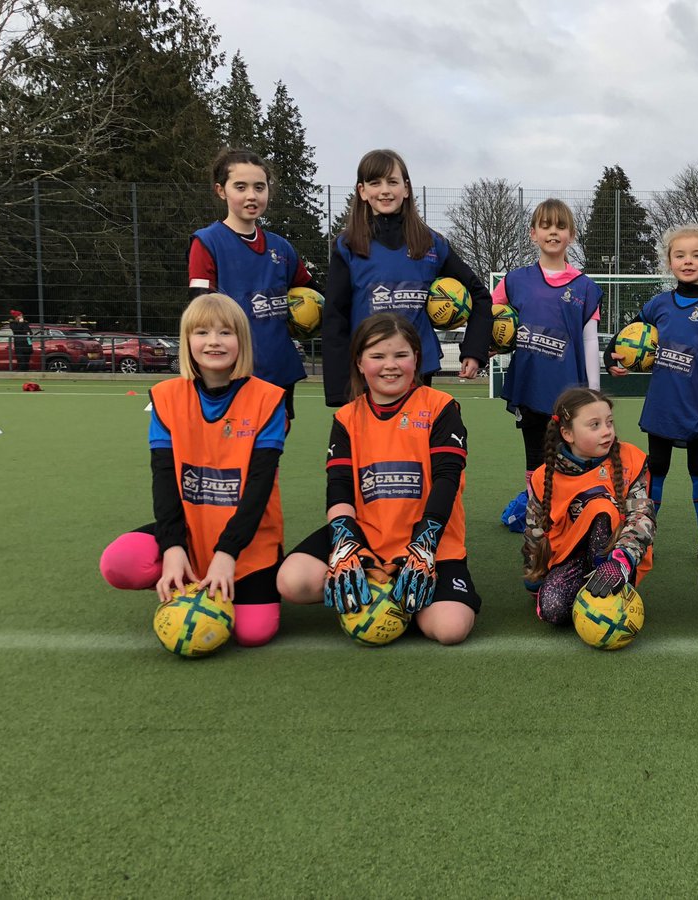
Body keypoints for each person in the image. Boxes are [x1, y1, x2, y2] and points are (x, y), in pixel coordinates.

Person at [277, 313, 479, 645]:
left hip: (430, 540)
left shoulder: (441, 407)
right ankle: (373, 584)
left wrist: (424, 546)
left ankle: (395, 593)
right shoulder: (346, 417)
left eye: (401, 355)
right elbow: (339, 484)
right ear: (359, 362)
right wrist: (343, 543)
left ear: (416, 358)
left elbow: (447, 479)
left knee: (450, 628)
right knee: (292, 581)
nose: (390, 365)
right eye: (377, 356)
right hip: (365, 534)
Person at [99, 293, 288, 647]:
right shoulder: (167, 397)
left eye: (225, 332)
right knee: (119, 563)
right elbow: (164, 479)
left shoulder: (268, 399)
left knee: (253, 632)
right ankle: (185, 573)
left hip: (247, 538)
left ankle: (225, 577)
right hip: (190, 526)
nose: (213, 341)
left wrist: (227, 554)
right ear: (187, 341)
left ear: (241, 341)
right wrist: (172, 546)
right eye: (201, 332)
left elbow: (259, 487)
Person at [606, 224, 698, 559]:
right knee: (657, 467)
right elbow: (625, 336)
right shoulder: (659, 304)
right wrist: (611, 356)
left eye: (697, 254)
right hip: (663, 404)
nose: (688, 261)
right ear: (669, 261)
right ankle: (642, 538)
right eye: (680, 255)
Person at [322, 149, 492, 407]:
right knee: (372, 448)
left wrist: (473, 351)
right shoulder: (348, 245)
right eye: (375, 183)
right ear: (362, 191)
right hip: (368, 371)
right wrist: (338, 389)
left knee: (415, 445)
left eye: (392, 181)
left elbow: (479, 294)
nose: (385, 190)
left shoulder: (430, 243)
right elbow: (335, 316)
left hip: (418, 367)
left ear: (406, 188)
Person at [496, 199, 604, 532]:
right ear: (533, 233)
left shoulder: (585, 287)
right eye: (545, 226)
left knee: (570, 456)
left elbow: (589, 340)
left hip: (569, 390)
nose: (552, 232)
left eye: (559, 226)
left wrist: (595, 394)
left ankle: (572, 513)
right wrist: (485, 347)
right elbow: (494, 321)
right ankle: (536, 514)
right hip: (529, 384)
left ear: (571, 235)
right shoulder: (515, 280)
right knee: (535, 455)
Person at [188, 148, 319, 420]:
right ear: (221, 190)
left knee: (271, 450)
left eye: (259, 187)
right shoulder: (207, 242)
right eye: (240, 186)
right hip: (232, 373)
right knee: (232, 451)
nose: (252, 195)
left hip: (278, 369)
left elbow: (313, 294)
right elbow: (199, 312)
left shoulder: (281, 247)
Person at [523, 387, 655, 626]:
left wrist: (621, 561)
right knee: (552, 610)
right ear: (567, 433)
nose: (607, 431)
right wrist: (535, 574)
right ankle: (581, 592)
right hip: (569, 558)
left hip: (616, 556)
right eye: (594, 425)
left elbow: (642, 517)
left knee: (600, 508)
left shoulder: (631, 459)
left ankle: (610, 583)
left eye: (609, 422)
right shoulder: (545, 475)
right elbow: (535, 530)